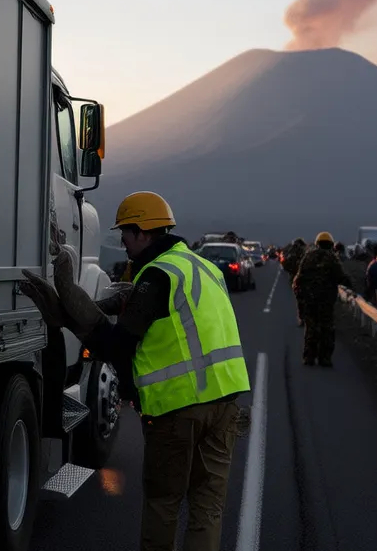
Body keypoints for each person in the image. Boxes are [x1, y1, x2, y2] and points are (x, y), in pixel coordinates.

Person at [21, 191, 250, 551]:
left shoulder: (157, 276)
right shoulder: (200, 266)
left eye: (125, 234)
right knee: (208, 509)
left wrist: (68, 310)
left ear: (143, 232)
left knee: (164, 502)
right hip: (225, 406)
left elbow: (116, 346)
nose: (123, 243)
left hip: (178, 410)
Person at [293, 232, 351, 366]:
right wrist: (351, 287)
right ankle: (325, 358)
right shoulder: (332, 258)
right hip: (326, 301)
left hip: (310, 299)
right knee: (327, 328)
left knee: (311, 328)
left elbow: (299, 278)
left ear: (317, 243)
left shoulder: (308, 257)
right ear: (331, 244)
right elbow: (341, 277)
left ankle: (309, 357)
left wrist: (301, 297)